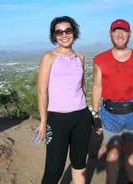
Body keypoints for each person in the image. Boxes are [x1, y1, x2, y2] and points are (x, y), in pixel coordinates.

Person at [91, 19, 133, 184]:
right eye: (116, 31)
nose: (120, 34)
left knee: (132, 152)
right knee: (112, 153)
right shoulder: (100, 59)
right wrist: (95, 115)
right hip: (109, 113)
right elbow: (97, 87)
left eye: (124, 31)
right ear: (110, 34)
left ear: (129, 34)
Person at [36, 16, 92, 184]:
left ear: (74, 32)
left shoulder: (80, 57)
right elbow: (41, 90)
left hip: (82, 117)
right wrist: (44, 121)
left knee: (79, 163)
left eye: (68, 30)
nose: (64, 35)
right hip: (57, 119)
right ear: (54, 36)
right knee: (54, 169)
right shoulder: (49, 57)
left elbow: (82, 85)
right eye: (58, 32)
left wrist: (89, 112)